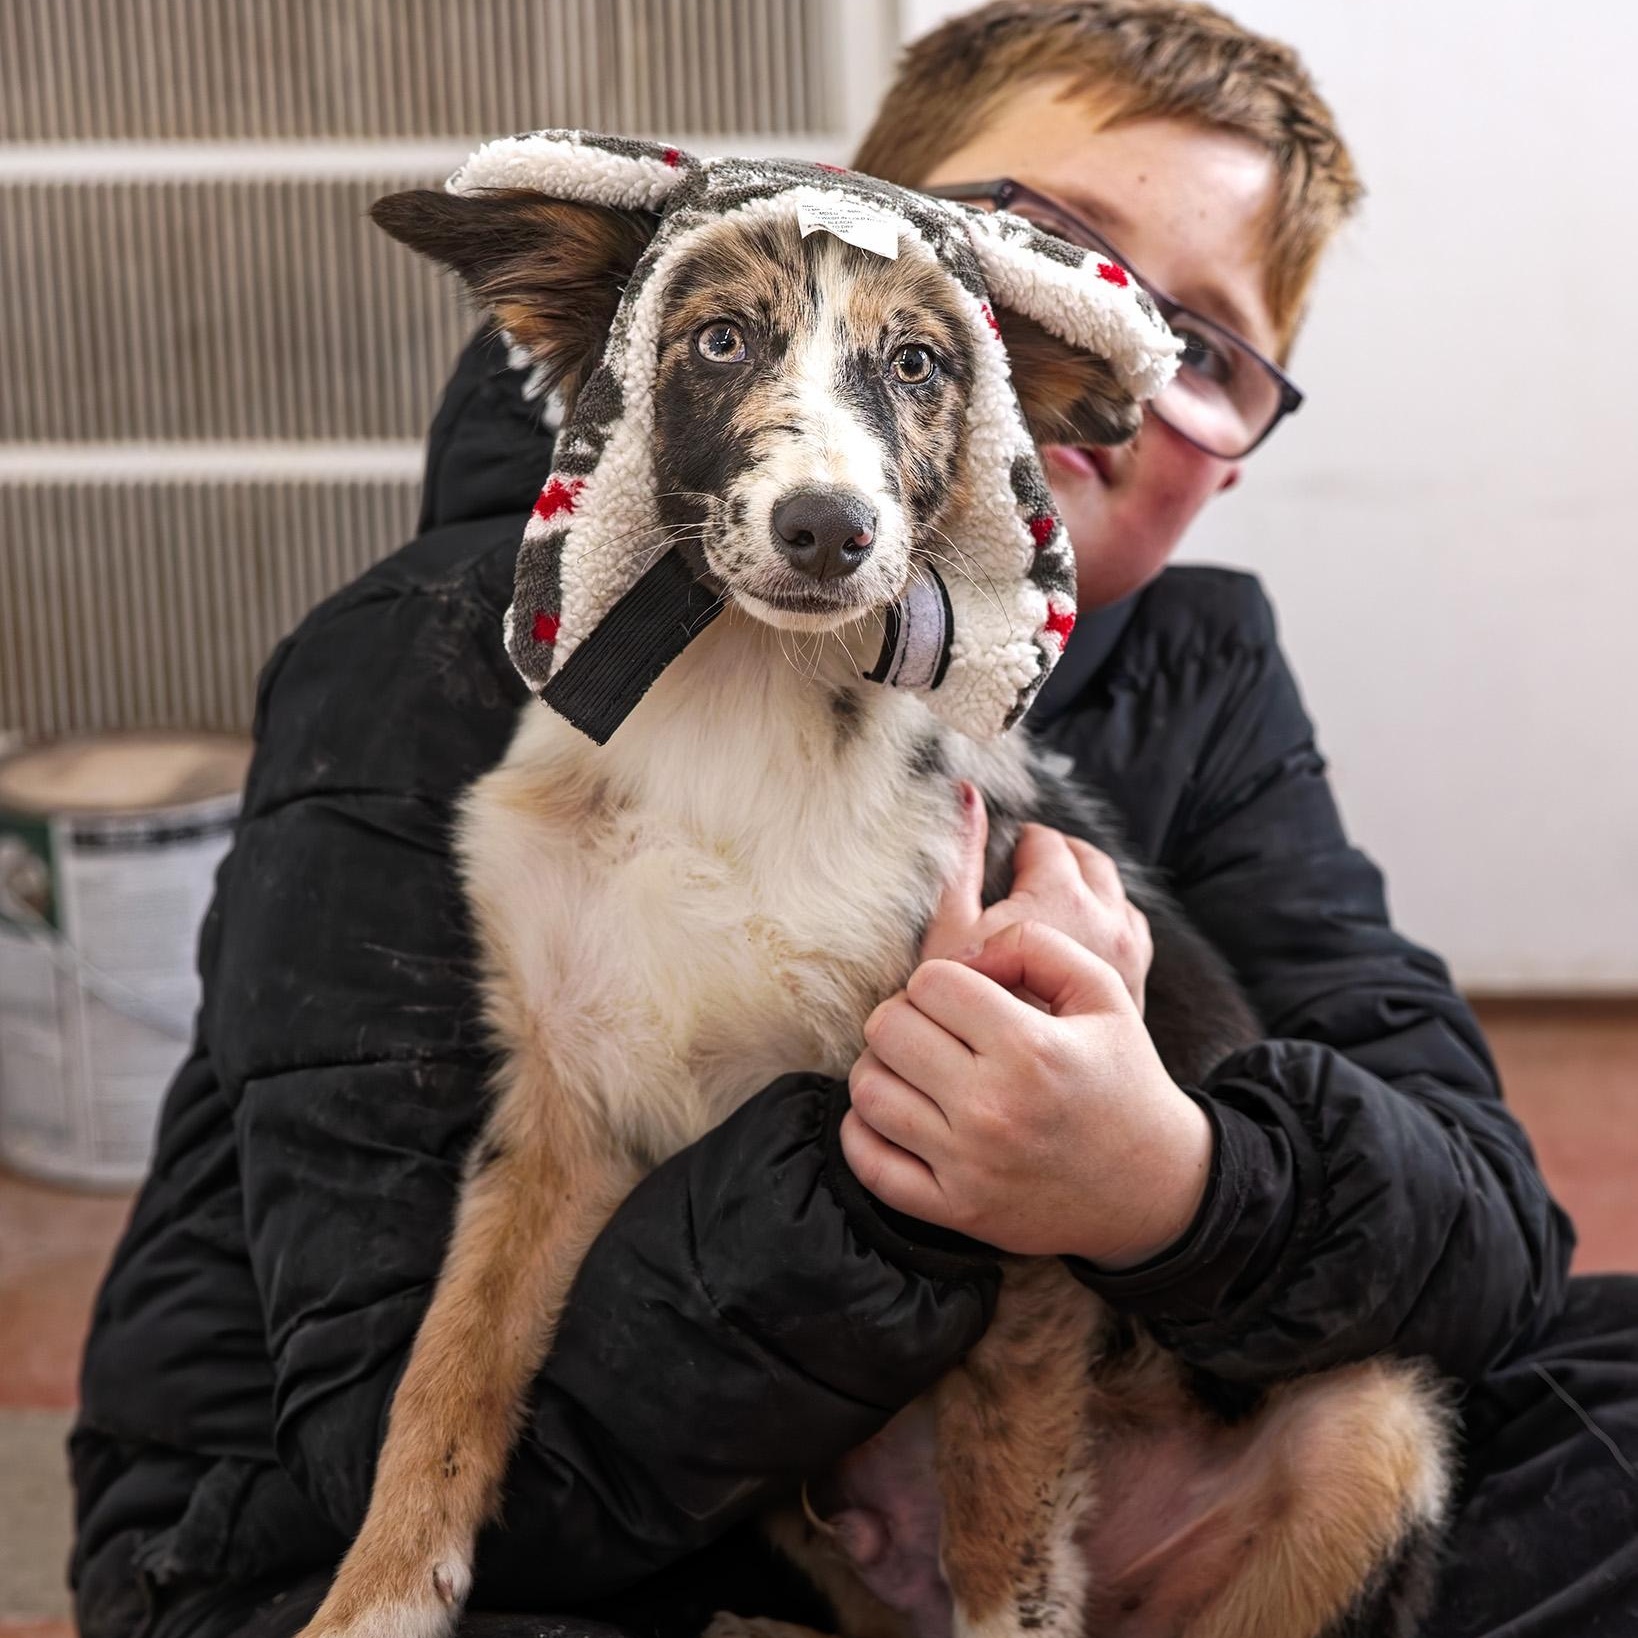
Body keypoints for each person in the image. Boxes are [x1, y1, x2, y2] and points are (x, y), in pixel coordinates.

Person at [70, 4, 1638, 1637]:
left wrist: (1164, 1182)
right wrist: (919, 1179)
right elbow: (422, 1433)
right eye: (1042, 243)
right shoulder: (436, 660)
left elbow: (1483, 1236)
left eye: (1204, 353)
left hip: (977, 1445)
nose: (1110, 343)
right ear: (839, 212)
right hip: (382, 1527)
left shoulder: (1199, 676)